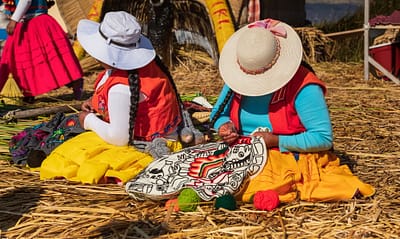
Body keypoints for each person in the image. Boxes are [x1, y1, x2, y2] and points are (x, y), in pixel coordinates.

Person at [210, 18, 375, 203]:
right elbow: (218, 113)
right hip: (240, 152)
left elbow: (322, 138)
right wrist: (224, 126)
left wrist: (276, 141)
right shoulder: (241, 76)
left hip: (285, 154)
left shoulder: (304, 87)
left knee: (263, 184)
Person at [0, 0, 84, 102]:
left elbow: (26, 1)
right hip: (36, 22)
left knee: (23, 60)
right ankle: (28, 93)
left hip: (35, 23)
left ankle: (29, 93)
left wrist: (14, 20)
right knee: (36, 60)